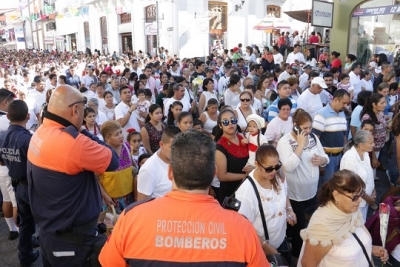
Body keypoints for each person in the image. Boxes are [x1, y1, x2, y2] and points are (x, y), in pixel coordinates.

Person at [99, 130, 270, 266]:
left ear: (170, 172)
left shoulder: (131, 219)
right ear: (214, 174)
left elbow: (108, 262)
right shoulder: (242, 228)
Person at [27, 85, 119, 267]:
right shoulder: (74, 143)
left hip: (50, 230)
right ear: (75, 109)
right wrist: (82, 130)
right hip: (74, 241)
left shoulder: (41, 131)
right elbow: (113, 160)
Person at [298, 170, 389, 267]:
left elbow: (353, 240)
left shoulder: (351, 211)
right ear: (336, 195)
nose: (360, 200)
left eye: (361, 194)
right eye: (355, 197)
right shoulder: (321, 227)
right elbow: (308, 264)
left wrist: (369, 248)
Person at [277, 109, 329, 259]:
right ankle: (297, 256)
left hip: (312, 191)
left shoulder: (312, 137)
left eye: (310, 127)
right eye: (305, 128)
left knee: (311, 222)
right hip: (295, 194)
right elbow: (289, 166)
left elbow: (324, 155)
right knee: (297, 228)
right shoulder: (285, 141)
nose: (308, 131)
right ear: (295, 125)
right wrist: (299, 145)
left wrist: (322, 160)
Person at [236, 145, 296, 263]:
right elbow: (243, 229)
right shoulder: (247, 192)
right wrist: (269, 249)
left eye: (277, 166)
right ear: (257, 164)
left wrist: (289, 209)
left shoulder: (278, 175)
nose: (274, 171)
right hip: (261, 252)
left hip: (281, 242)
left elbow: (284, 192)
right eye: (269, 169)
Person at [0, 100, 39, 266]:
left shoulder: (1, 136)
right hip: (31, 187)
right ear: (28, 116)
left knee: (25, 223)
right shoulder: (29, 139)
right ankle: (48, 253)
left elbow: (1, 162)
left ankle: (25, 255)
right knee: (42, 222)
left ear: (8, 116)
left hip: (16, 184)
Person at [313, 89, 350, 188]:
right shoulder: (321, 114)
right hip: (327, 159)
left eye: (347, 103)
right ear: (336, 100)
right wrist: (321, 164)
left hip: (339, 157)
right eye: (344, 103)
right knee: (326, 187)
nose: (346, 106)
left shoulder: (341, 113)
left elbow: (343, 135)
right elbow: (315, 139)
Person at [215, 109, 251, 203]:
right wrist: (246, 176)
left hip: (248, 189)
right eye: (226, 122)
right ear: (220, 125)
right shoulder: (220, 147)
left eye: (233, 120)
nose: (230, 123)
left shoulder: (243, 137)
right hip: (231, 193)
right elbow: (222, 176)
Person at [340, 130, 376, 221]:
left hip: (365, 200)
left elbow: (369, 175)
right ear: (361, 145)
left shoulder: (365, 154)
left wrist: (373, 191)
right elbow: (351, 185)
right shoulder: (349, 159)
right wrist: (368, 198)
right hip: (355, 202)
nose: (374, 145)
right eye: (371, 142)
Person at [137, 126, 180, 201]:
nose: (177, 151)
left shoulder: (182, 159)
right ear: (161, 145)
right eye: (172, 147)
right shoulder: (148, 169)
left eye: (179, 147)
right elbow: (141, 204)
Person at [99, 120, 135, 210]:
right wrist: (105, 196)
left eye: (121, 132)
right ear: (107, 138)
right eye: (116, 134)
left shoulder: (127, 147)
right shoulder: (102, 154)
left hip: (129, 198)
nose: (121, 136)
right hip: (111, 201)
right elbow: (95, 179)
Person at [360, 93, 387, 177]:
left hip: (378, 148)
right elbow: (367, 138)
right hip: (371, 150)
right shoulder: (367, 118)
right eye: (382, 103)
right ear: (374, 105)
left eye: (385, 102)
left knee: (372, 172)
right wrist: (374, 157)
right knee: (369, 173)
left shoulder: (380, 113)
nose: (385, 105)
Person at [381, 112, 400, 201]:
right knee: (392, 192)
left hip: (395, 168)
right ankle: (379, 211)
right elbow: (399, 157)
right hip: (397, 169)